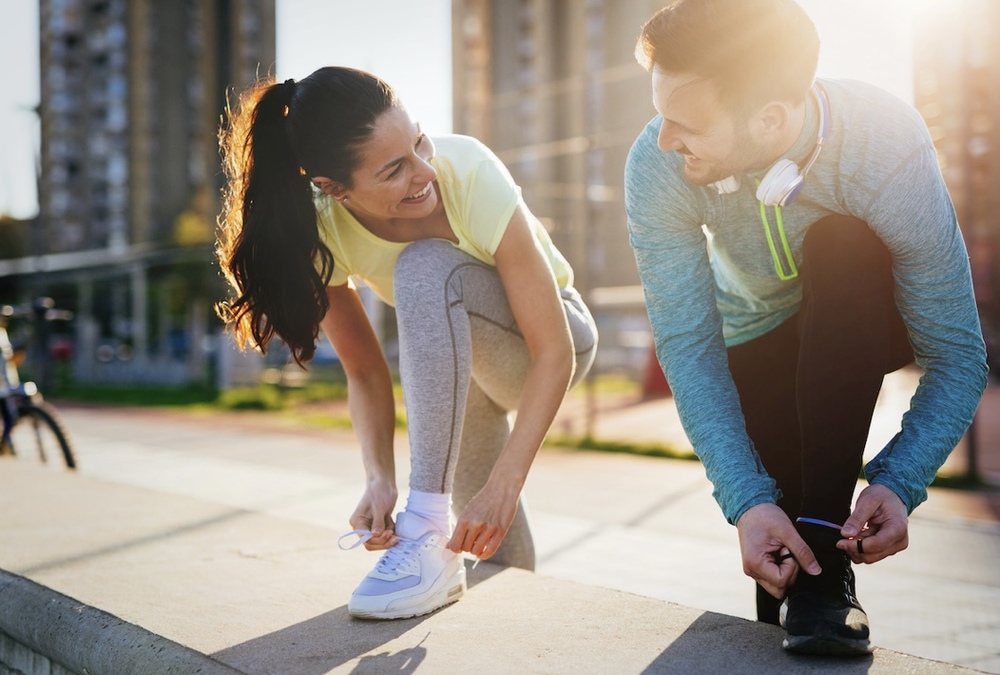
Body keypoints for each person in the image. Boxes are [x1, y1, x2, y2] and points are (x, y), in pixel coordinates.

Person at [624, 0, 987, 657]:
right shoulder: (656, 167)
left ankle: (826, 564)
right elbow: (689, 347)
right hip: (751, 337)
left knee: (842, 243)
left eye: (683, 123)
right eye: (660, 114)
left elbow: (958, 354)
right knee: (782, 567)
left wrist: (899, 480)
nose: (662, 139)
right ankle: (811, 592)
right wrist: (745, 499)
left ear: (768, 118)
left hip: (857, 316)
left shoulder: (884, 141)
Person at [216, 67, 597, 620]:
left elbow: (555, 352)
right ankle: (505, 634)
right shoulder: (322, 228)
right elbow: (366, 373)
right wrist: (378, 478)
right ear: (333, 189)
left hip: (555, 342)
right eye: (395, 169)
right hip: (463, 373)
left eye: (418, 141)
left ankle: (423, 521)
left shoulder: (467, 170)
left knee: (424, 267)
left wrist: (506, 482)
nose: (424, 172)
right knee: (492, 549)